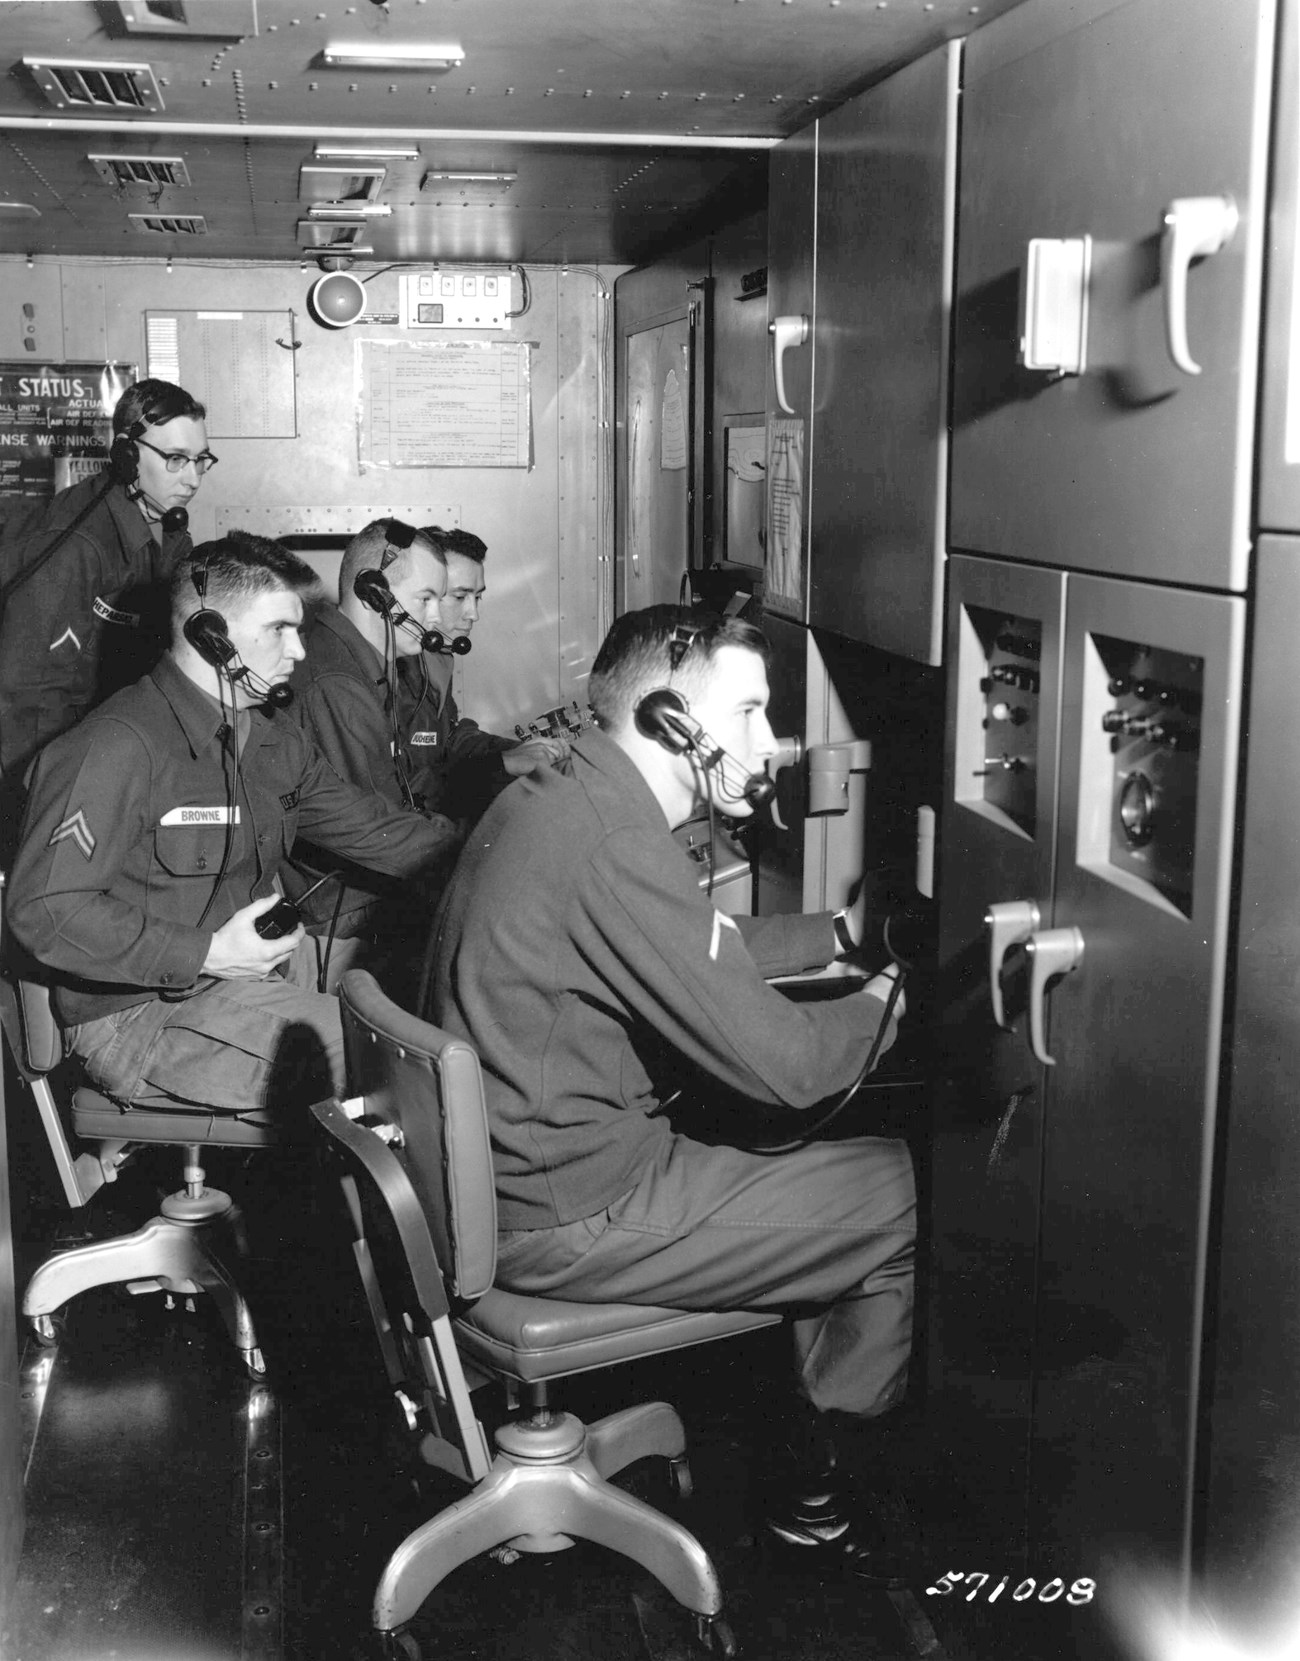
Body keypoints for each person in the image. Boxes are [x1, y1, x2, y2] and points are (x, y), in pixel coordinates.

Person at [425, 603, 917, 1583]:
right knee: (898, 1191)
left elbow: (691, 943)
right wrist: (889, 998)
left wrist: (834, 936)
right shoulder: (614, 837)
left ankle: (805, 1441)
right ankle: (817, 1494)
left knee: (803, 1162)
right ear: (671, 721)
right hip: (571, 1210)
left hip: (514, 1174)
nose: (769, 744)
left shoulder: (562, 792)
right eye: (747, 713)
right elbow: (793, 1068)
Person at [7, 532, 454, 1118]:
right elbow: (44, 910)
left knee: (441, 992)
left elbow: (372, 828)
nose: (299, 651)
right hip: (139, 1012)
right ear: (210, 635)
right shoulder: (115, 747)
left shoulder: (268, 738)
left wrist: (488, 856)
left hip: (252, 972)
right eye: (280, 630)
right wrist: (208, 954)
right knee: (396, 1062)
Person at [0, 379, 210, 805]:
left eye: (201, 460)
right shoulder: (76, 546)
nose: (192, 479)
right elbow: (30, 701)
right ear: (126, 455)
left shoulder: (165, 526)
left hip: (115, 739)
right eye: (175, 459)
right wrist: (45, 800)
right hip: (58, 761)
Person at [284, 518, 465, 990]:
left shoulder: (368, 667)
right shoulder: (338, 683)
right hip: (343, 914)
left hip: (360, 894)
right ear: (374, 593)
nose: (436, 618)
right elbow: (375, 824)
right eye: (425, 599)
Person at [398, 524, 570, 823]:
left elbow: (449, 739)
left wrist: (519, 750)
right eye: (459, 597)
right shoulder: (394, 669)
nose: (473, 614)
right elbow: (404, 790)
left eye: (477, 597)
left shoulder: (436, 659)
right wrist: (501, 764)